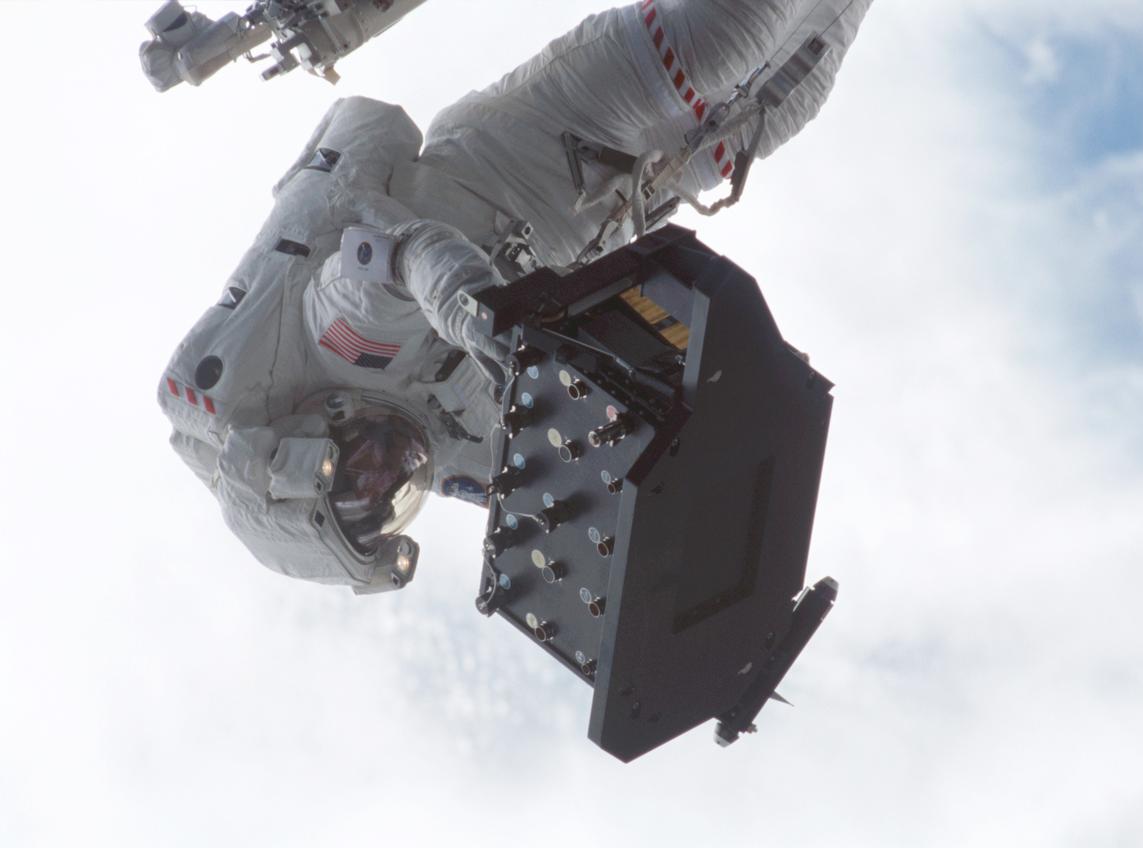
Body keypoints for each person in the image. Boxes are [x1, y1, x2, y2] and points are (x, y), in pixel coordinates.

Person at [157, 0, 877, 591]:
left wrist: (475, 310)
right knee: (800, 79)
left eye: (355, 485)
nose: (383, 480)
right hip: (637, 198)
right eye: (381, 508)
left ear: (313, 440)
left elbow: (402, 256)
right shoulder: (467, 454)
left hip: (549, 132)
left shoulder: (341, 338)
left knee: (734, 32)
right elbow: (598, 491)